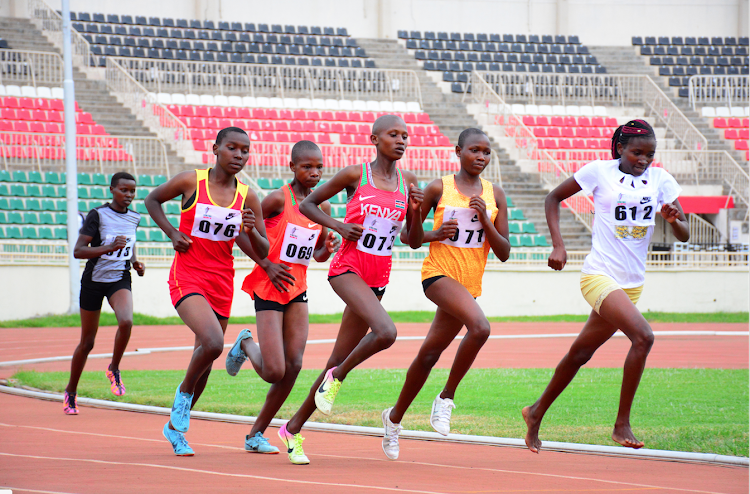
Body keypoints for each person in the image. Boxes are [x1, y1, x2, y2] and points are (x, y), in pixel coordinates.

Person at [522, 119, 689, 453]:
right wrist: (559, 244)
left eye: (650, 154)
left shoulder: (661, 181)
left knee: (581, 352)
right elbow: (553, 198)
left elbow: (684, 232)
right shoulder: (599, 172)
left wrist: (673, 220)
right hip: (598, 275)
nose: (643, 160)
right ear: (620, 149)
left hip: (632, 285)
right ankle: (621, 423)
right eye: (637, 153)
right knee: (643, 336)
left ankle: (535, 411)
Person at [276, 115, 424, 465]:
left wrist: (416, 213)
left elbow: (414, 242)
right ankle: (336, 379)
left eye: (406, 136)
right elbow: (306, 205)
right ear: (374, 139)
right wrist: (339, 225)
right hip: (347, 268)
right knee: (386, 332)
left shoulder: (409, 183)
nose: (401, 140)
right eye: (393, 135)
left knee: (335, 357)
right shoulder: (355, 175)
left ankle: (292, 429)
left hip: (378, 276)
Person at [380, 128, 511, 459]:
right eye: (474, 151)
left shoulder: (496, 195)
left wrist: (486, 220)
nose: (480, 157)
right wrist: (433, 230)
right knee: (480, 327)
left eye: (486, 152)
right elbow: (410, 238)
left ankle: (393, 419)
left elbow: (505, 251)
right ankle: (446, 398)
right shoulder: (440, 187)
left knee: (429, 354)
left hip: (469, 285)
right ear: (458, 151)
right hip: (438, 275)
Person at [145, 127, 269, 456]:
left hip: (221, 281)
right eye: (232, 148)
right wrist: (171, 231)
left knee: (206, 360)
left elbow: (263, 247)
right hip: (187, 276)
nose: (239, 155)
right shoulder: (191, 182)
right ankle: (183, 397)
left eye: (245, 150)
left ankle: (175, 430)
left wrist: (251, 230)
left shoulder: (248, 196)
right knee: (213, 343)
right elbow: (152, 199)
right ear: (215, 148)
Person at [224, 140, 339, 454]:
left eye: (318, 167)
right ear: (292, 167)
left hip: (297, 288)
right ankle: (246, 342)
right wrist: (266, 264)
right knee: (275, 370)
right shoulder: (276, 199)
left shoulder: (322, 207)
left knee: (295, 365)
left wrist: (325, 250)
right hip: (268, 286)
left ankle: (255, 435)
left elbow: (313, 254)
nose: (314, 173)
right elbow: (243, 232)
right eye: (307, 167)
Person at [63, 172, 145, 415]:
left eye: (132, 191)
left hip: (119, 278)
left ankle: (114, 368)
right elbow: (78, 251)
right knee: (87, 342)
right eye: (123, 190)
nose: (128, 195)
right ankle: (71, 391)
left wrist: (135, 261)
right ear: (112, 189)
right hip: (93, 281)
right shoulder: (97, 215)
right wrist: (109, 247)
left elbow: (129, 244)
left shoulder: (135, 217)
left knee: (127, 321)